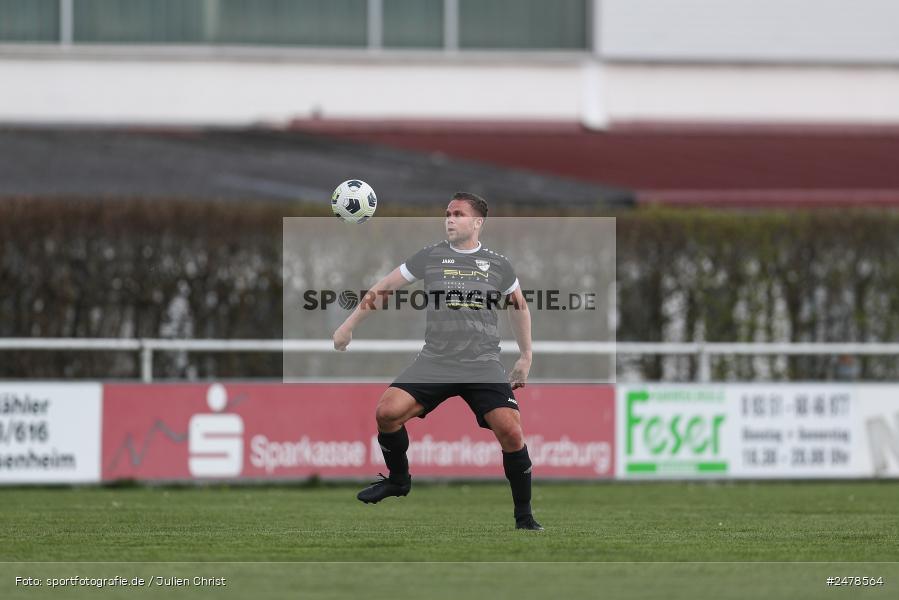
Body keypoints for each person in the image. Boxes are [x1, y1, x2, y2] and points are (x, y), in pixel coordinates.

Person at [332, 192, 542, 530]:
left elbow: (518, 307)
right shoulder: (430, 256)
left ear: (477, 223)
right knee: (387, 413)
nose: (449, 219)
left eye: (458, 214)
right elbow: (386, 286)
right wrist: (348, 324)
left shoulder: (498, 264)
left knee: (512, 433)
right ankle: (399, 481)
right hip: (436, 360)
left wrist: (526, 356)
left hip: (481, 363)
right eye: (447, 213)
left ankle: (525, 518)